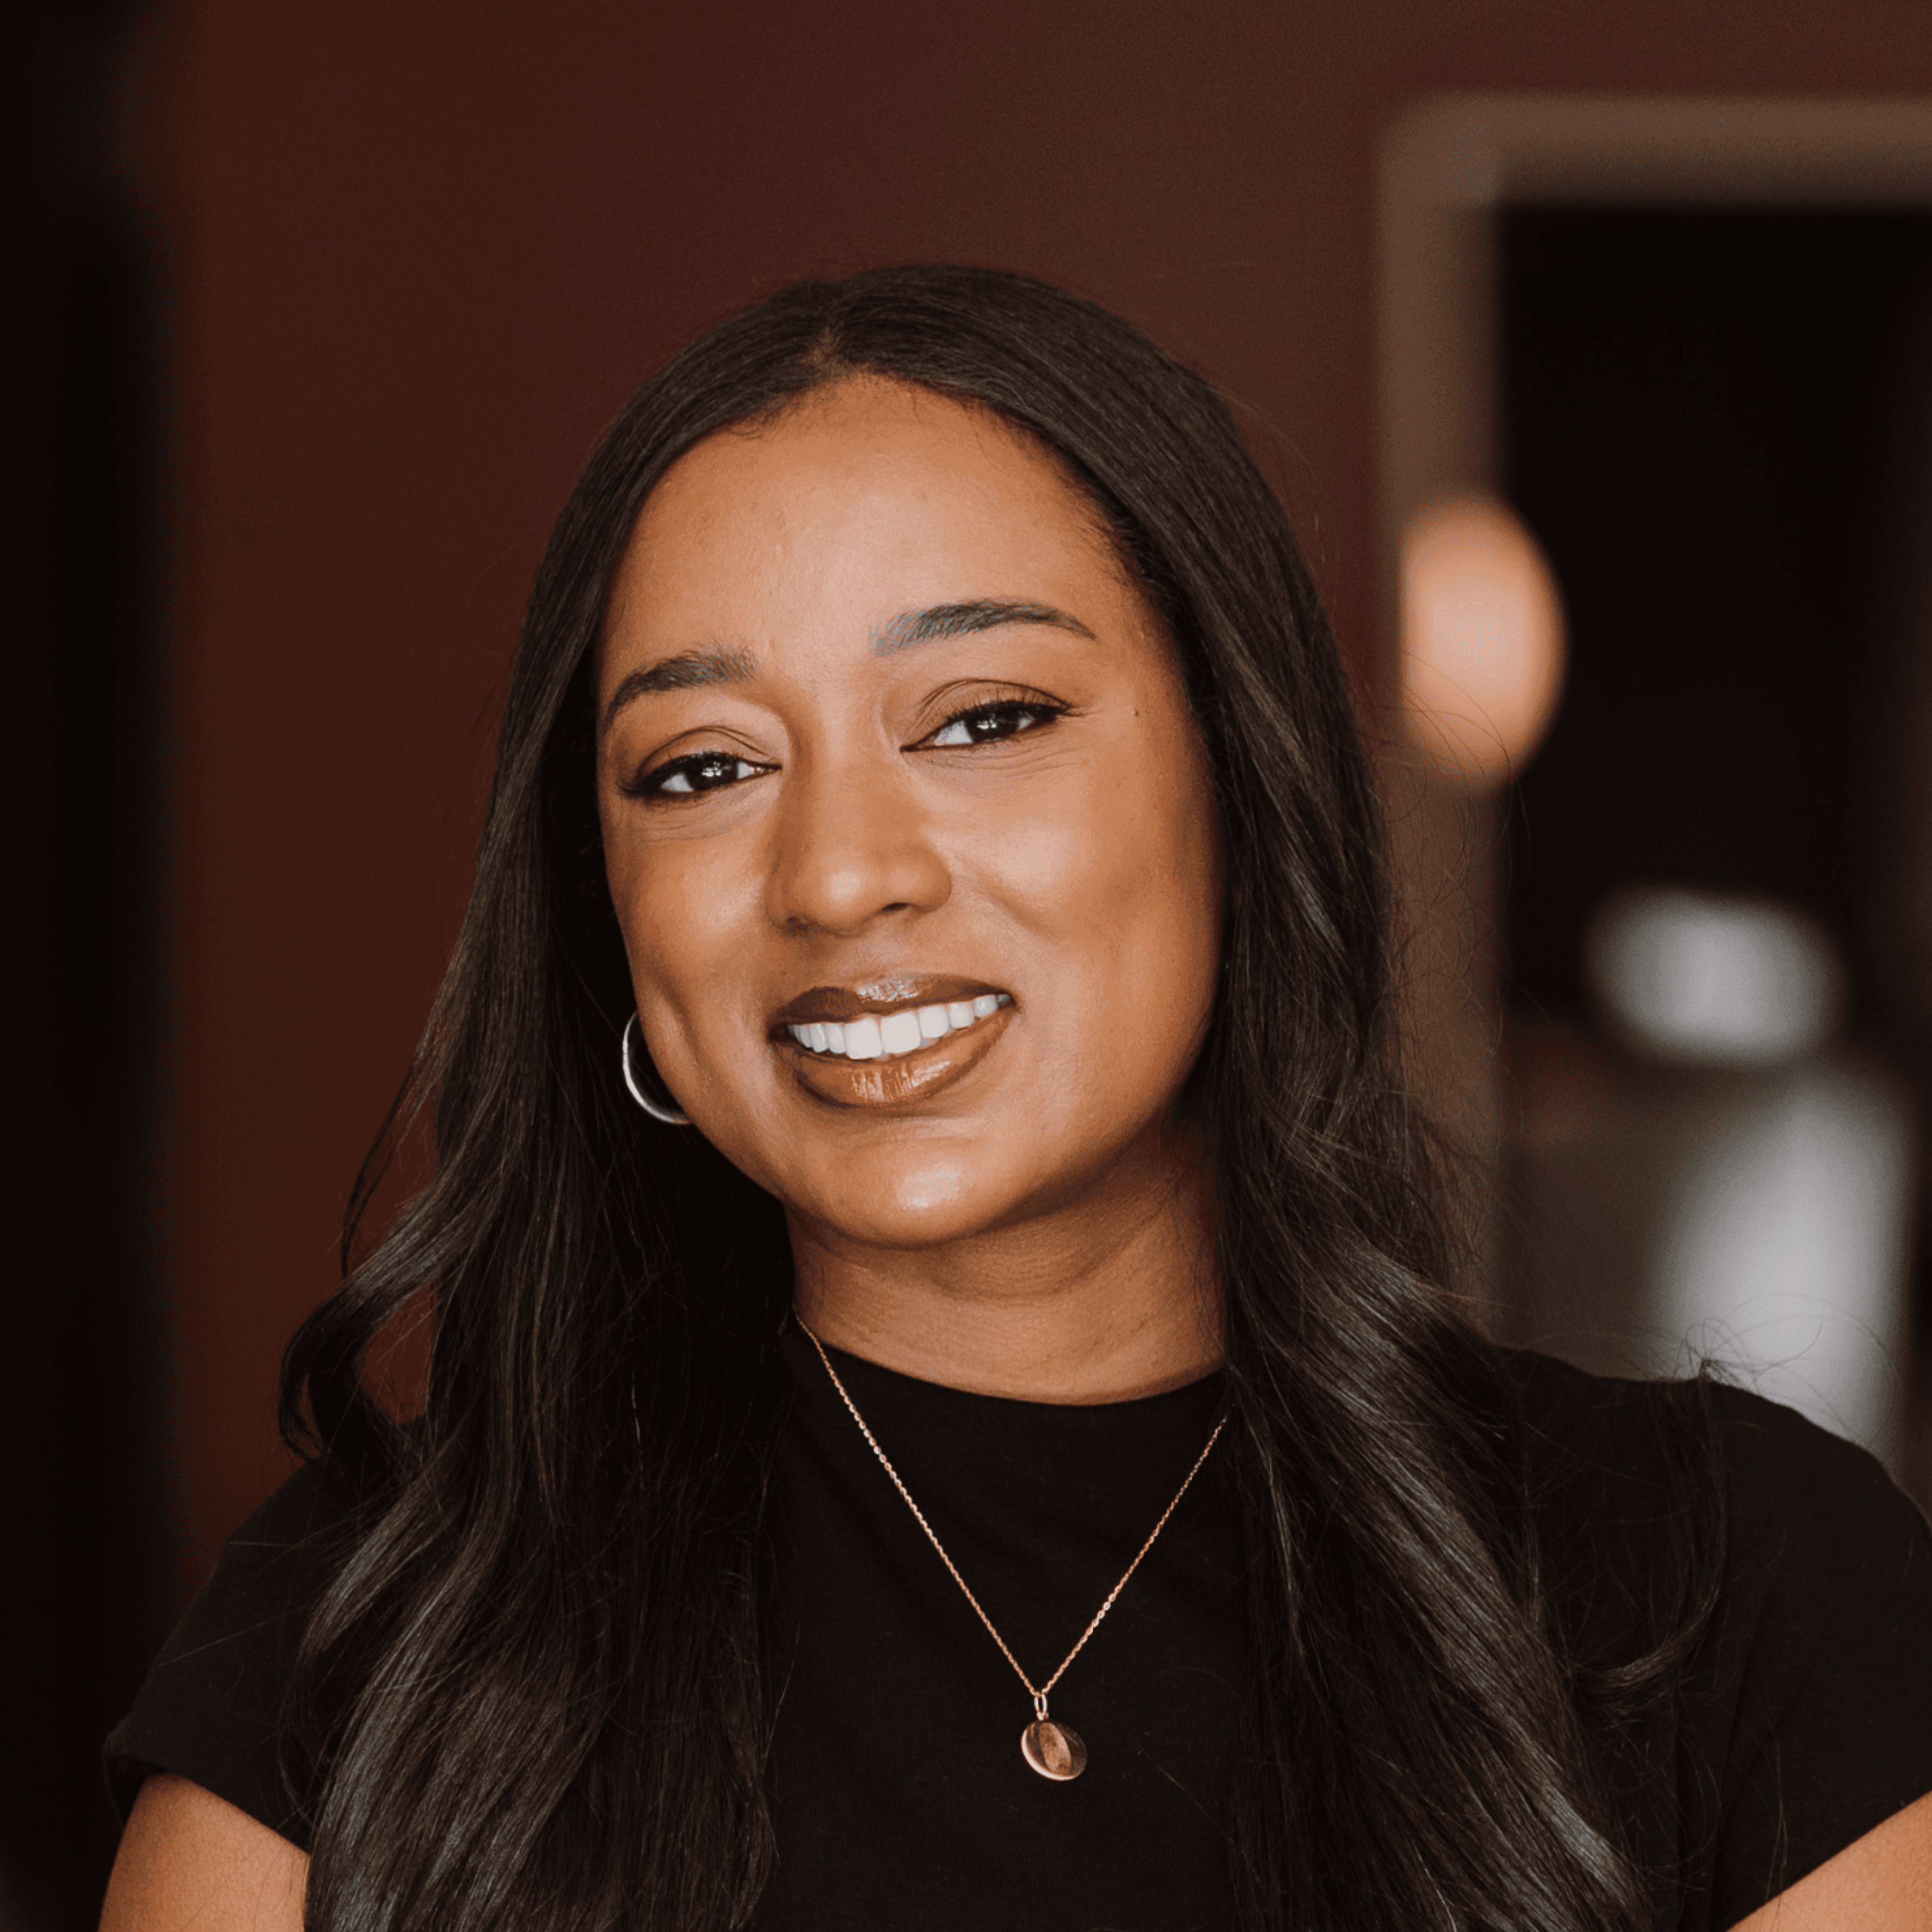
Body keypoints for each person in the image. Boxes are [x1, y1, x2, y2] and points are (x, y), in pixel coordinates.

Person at [102, 265, 1932, 1932]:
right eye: (704, 764)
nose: (838, 877)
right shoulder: (370, 1646)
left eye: (982, 720)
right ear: (609, 915)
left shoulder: (1731, 1601)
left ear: (1243, 777)